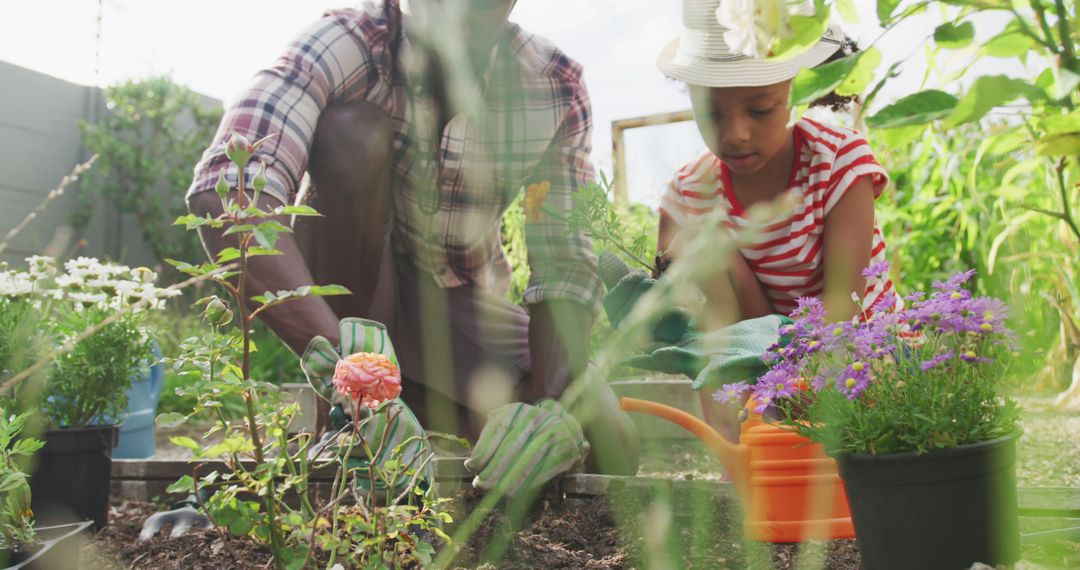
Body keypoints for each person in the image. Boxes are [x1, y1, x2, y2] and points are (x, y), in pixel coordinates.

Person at [186, 0, 639, 491]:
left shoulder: (553, 85)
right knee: (351, 135)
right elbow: (230, 192)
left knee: (607, 436)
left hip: (454, 301)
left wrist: (547, 408)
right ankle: (352, 414)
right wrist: (351, 375)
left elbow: (565, 263)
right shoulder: (351, 40)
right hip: (352, 293)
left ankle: (433, 421)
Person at [653, 0, 899, 435]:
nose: (735, 134)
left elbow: (842, 308)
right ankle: (749, 475)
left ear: (798, 90)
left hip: (858, 353)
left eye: (760, 109)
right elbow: (693, 321)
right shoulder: (690, 194)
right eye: (711, 113)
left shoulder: (837, 162)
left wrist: (780, 385)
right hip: (749, 359)